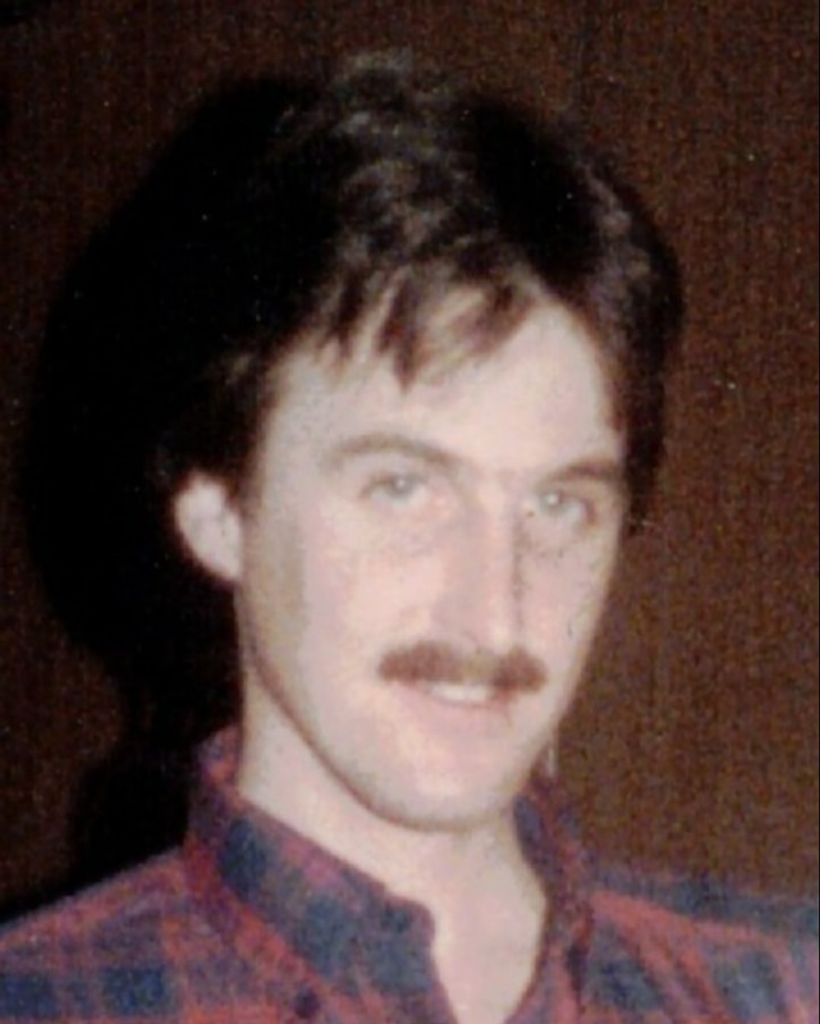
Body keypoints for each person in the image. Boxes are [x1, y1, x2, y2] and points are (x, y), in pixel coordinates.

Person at [0, 52, 816, 1024]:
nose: (495, 615)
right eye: (403, 488)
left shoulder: (781, 989)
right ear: (220, 511)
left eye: (558, 506)